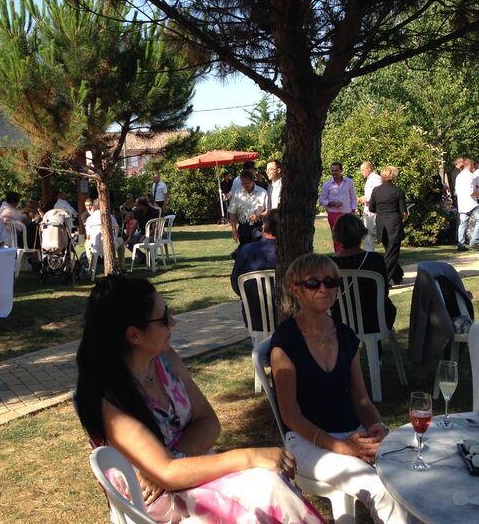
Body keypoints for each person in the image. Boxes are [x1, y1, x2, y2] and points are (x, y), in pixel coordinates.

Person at [75, 275, 325, 524]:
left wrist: (174, 461)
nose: (173, 322)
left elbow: (208, 423)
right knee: (265, 493)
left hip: (189, 476)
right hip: (154, 505)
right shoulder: (109, 399)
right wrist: (247, 456)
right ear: (134, 335)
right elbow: (166, 474)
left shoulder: (164, 360)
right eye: (162, 319)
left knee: (270, 486)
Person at [270, 253, 411, 524]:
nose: (323, 288)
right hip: (306, 440)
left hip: (352, 433)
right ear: (296, 289)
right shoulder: (285, 342)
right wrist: (340, 446)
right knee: (380, 487)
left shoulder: (345, 335)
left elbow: (361, 401)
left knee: (409, 473)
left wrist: (377, 425)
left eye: (330, 281)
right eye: (313, 283)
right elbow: (290, 415)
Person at [330, 214, 397, 332]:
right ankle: (376, 349)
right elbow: (383, 292)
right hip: (374, 320)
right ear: (361, 233)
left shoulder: (329, 264)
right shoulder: (375, 259)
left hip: (340, 320)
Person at [230, 210, 278, 333]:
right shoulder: (290, 252)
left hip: (255, 318)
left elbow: (236, 284)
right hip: (288, 316)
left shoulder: (246, 251)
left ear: (263, 227)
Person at [368, 166, 407, 285]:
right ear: (393, 176)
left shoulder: (376, 190)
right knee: (391, 254)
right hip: (394, 224)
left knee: (390, 251)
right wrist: (404, 218)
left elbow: (371, 208)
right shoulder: (398, 191)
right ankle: (382, 280)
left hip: (381, 224)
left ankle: (398, 275)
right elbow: (403, 212)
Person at [319, 162, 357, 253]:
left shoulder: (349, 182)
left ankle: (349, 254)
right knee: (337, 237)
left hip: (347, 213)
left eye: (336, 170)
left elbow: (353, 197)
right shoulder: (327, 184)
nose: (334, 172)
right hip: (333, 213)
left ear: (341, 171)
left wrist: (353, 210)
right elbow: (322, 200)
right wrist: (332, 204)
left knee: (349, 236)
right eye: (332, 170)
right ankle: (339, 256)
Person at [228, 170, 268, 250]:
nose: (245, 185)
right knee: (245, 252)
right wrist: (234, 231)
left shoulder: (263, 193)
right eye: (243, 183)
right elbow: (232, 213)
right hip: (243, 228)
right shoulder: (237, 194)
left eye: (247, 183)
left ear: (253, 181)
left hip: (258, 227)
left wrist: (259, 216)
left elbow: (269, 211)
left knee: (257, 252)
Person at [454, 158, 479, 251]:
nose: (473, 168)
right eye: (473, 165)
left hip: (462, 203)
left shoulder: (459, 176)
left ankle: (461, 244)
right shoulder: (469, 176)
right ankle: (474, 241)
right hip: (471, 203)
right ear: (470, 165)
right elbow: (471, 192)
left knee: (463, 224)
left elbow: (457, 190)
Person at [84, 198, 124, 266]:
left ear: (93, 207)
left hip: (95, 247)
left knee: (86, 243)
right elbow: (117, 228)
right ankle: (121, 265)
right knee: (121, 240)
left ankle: (91, 264)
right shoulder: (109, 216)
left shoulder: (89, 219)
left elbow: (88, 237)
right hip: (111, 245)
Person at [358, 161, 382, 252]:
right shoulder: (370, 179)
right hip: (369, 210)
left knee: (369, 233)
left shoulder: (375, 178)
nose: (361, 172)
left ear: (369, 169)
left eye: (362, 170)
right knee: (368, 233)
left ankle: (369, 253)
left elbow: (376, 194)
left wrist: (361, 199)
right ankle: (369, 252)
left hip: (373, 211)